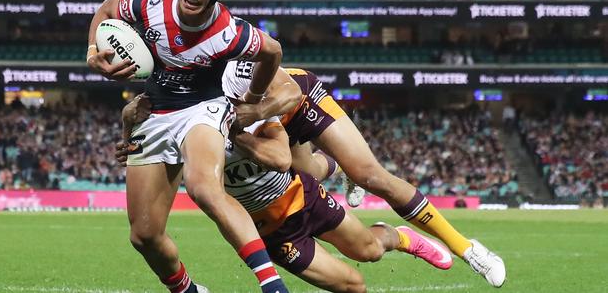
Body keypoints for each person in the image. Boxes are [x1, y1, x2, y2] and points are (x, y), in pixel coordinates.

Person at [117, 76, 453, 293]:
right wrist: (133, 141)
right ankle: (338, 166)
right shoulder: (181, 125)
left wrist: (234, 132)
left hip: (301, 196)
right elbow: (148, 141)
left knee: (370, 251)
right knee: (354, 286)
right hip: (271, 232)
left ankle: (401, 236)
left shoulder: (245, 104)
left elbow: (280, 157)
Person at [86, 0, 289, 293]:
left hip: (203, 107)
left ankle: (272, 285)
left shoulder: (229, 32)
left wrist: (253, 101)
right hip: (154, 110)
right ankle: (188, 291)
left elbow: (273, 52)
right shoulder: (150, 3)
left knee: (203, 187)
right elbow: (108, 8)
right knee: (144, 235)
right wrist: (92, 51)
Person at [230, 64, 506, 288]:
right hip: (264, 130)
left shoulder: (229, 47)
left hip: (294, 104)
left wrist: (256, 112)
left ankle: (467, 249)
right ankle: (342, 165)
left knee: (369, 175)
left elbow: (284, 82)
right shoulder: (192, 96)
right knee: (312, 172)